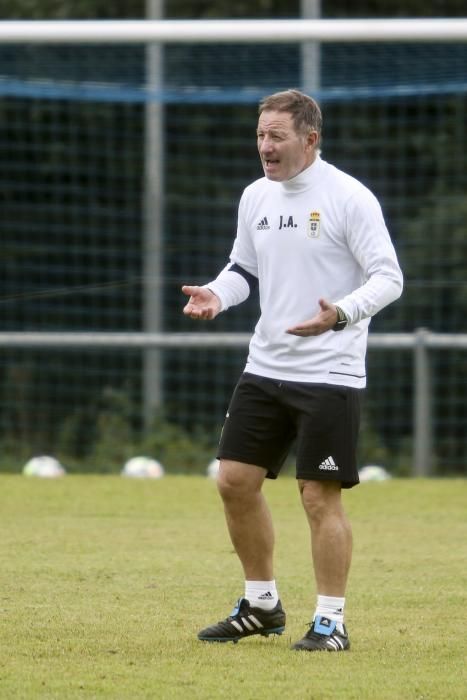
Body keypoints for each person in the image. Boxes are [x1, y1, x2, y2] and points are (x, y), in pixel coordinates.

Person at [182, 89, 403, 652]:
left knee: (317, 495)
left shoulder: (349, 197)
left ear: (310, 139)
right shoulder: (256, 196)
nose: (265, 147)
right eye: (260, 135)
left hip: (330, 371)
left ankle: (331, 621)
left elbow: (388, 277)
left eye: (277, 136)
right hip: (265, 366)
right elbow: (243, 270)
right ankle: (261, 605)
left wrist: (341, 314)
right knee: (234, 481)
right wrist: (215, 294)